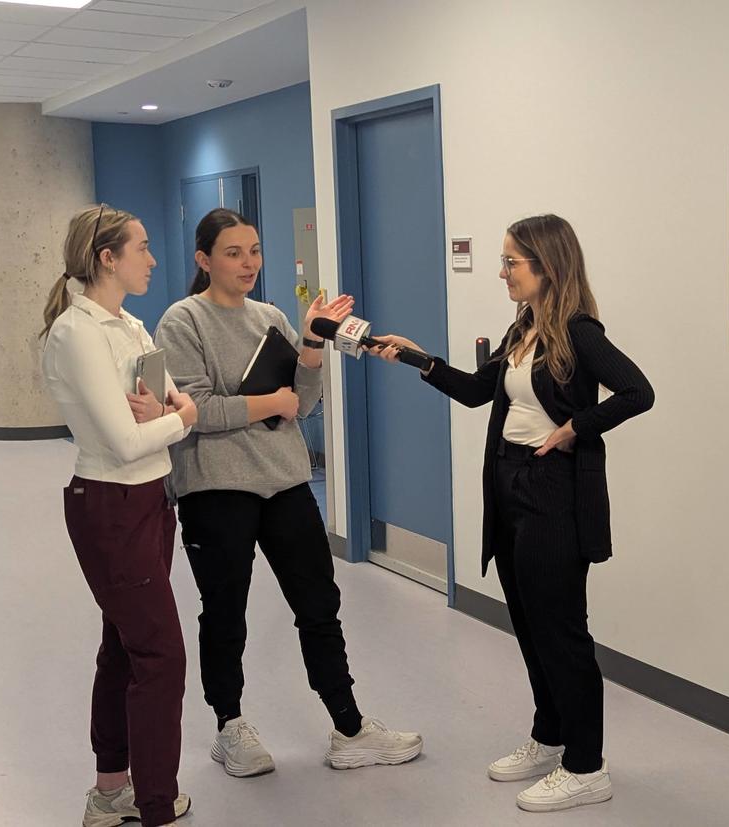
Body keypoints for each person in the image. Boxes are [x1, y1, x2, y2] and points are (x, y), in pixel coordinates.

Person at [371, 213, 654, 813]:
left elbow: (638, 392)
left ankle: (586, 765)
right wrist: (416, 358)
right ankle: (551, 737)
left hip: (554, 492)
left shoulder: (579, 332)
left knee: (562, 633)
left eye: (511, 262)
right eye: (502, 261)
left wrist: (576, 426)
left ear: (547, 268)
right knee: (527, 623)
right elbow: (479, 392)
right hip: (509, 484)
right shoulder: (525, 327)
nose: (502, 272)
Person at [154, 207, 422, 779]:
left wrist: (310, 345)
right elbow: (194, 412)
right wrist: (269, 405)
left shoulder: (271, 315)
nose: (248, 262)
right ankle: (230, 726)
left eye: (254, 250)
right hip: (216, 487)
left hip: (285, 481)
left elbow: (302, 401)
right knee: (225, 613)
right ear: (204, 260)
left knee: (319, 606)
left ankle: (349, 727)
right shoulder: (182, 322)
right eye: (233, 252)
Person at [40, 205, 197, 827]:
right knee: (162, 656)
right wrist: (177, 419)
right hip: (110, 506)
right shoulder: (76, 334)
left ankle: (110, 791)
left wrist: (167, 414)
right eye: (142, 247)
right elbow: (133, 438)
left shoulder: (129, 324)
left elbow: (169, 396)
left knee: (126, 647)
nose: (152, 259)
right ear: (107, 257)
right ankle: (154, 805)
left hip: (153, 501)